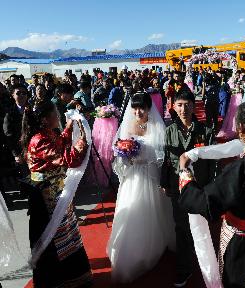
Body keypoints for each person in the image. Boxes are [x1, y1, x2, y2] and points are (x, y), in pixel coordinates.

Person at [178, 101, 245, 288]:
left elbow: (204, 203)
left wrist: (185, 175)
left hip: (241, 244)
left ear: (242, 129)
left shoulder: (242, 169)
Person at [20, 101, 92, 287]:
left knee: (66, 232)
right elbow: (66, 158)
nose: (59, 117)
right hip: (44, 194)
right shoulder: (39, 139)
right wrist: (80, 145)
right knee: (52, 236)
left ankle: (72, 276)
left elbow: (60, 141)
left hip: (56, 189)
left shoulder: (47, 134)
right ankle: (55, 280)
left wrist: (69, 129)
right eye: (55, 114)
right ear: (45, 119)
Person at [107, 92, 174, 283]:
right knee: (132, 211)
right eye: (134, 108)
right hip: (133, 177)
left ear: (149, 108)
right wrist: (125, 156)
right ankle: (130, 251)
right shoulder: (127, 126)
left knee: (153, 211)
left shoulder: (157, 127)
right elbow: (120, 156)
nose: (138, 112)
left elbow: (162, 156)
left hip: (151, 176)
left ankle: (154, 244)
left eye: (141, 108)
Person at [160, 89, 215, 287]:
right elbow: (167, 161)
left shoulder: (206, 131)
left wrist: (210, 188)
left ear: (194, 106)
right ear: (174, 106)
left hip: (199, 188)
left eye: (187, 104)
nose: (184, 109)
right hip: (178, 188)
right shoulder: (169, 131)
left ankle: (204, 263)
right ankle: (184, 268)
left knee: (200, 228)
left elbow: (212, 163)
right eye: (180, 105)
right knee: (181, 228)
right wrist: (165, 183)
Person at [3, 84, 28, 165]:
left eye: (24, 93)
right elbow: (8, 135)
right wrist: (16, 154)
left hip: (33, 150)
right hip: (19, 152)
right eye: (18, 93)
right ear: (13, 95)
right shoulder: (9, 113)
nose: (21, 95)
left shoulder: (33, 110)